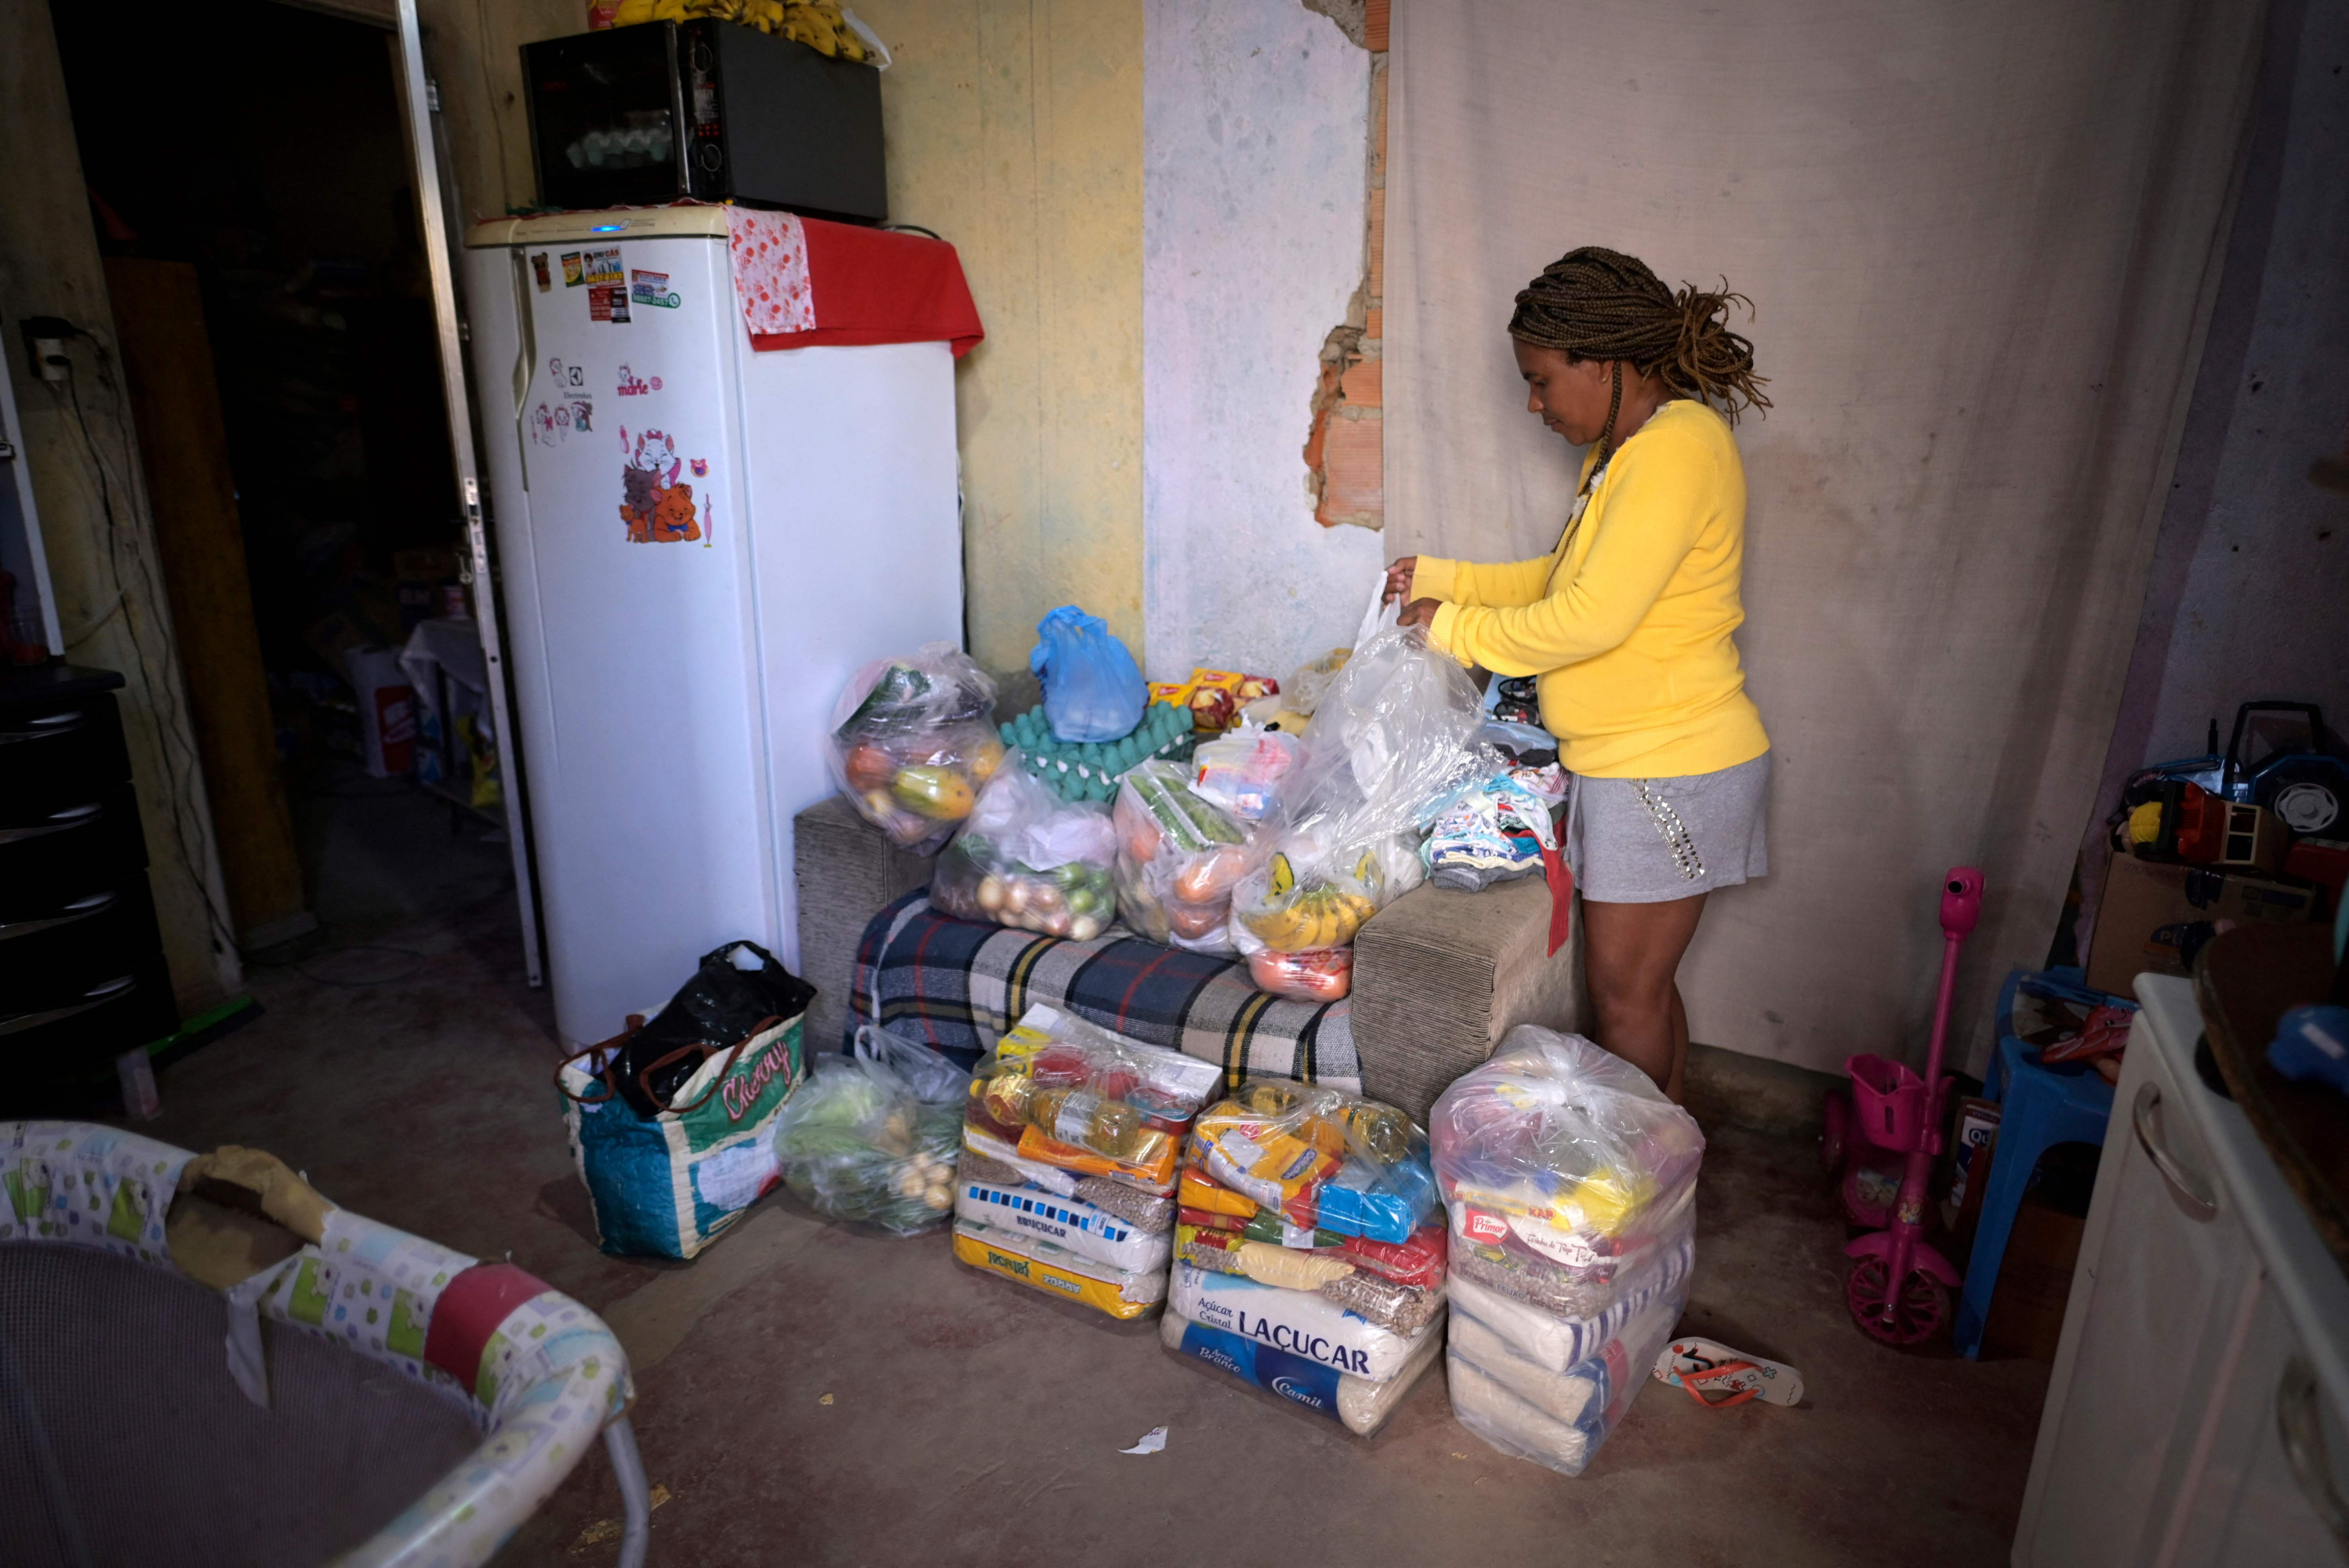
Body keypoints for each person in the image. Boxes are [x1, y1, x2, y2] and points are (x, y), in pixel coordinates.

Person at [1384, 246, 1771, 1102]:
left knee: (1624, 998)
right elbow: (1561, 582)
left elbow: (1590, 618)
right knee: (1642, 990)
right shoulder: (1626, 455)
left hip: (1668, 761)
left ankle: (1625, 1198)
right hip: (1641, 759)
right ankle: (1659, 1180)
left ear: (1602, 362)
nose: (1532, 403)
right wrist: (1442, 580)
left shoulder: (1674, 450)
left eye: (1541, 379)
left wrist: (1454, 630)